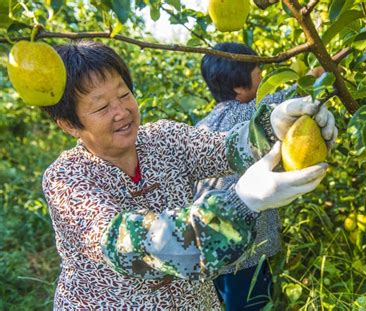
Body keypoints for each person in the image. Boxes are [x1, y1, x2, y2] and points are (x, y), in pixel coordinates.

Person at [40, 41, 338, 310]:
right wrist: (240, 203)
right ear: (68, 123)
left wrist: (274, 125)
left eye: (124, 94)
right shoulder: (67, 179)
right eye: (103, 107)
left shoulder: (163, 139)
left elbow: (226, 149)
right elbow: (133, 248)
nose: (122, 111)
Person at [197, 42, 337, 310]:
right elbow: (302, 96)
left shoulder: (202, 127)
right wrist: (324, 69)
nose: (263, 74)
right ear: (239, 87)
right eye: (257, 69)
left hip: (208, 250)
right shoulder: (254, 113)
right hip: (246, 253)